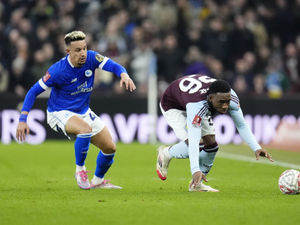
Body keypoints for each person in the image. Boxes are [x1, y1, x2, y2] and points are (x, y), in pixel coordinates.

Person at [16, 31, 136, 190]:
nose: (83, 53)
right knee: (85, 129)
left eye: (84, 48)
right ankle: (80, 170)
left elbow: (114, 65)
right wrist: (23, 119)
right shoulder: (57, 71)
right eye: (78, 50)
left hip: (83, 111)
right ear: (68, 52)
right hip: (59, 113)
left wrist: (124, 75)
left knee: (110, 148)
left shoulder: (92, 58)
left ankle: (98, 181)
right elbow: (33, 91)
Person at [156, 74, 273, 192]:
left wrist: (256, 148)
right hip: (172, 105)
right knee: (197, 143)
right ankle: (166, 153)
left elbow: (241, 124)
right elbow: (194, 141)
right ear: (210, 98)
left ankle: (196, 185)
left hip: (193, 98)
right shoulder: (196, 105)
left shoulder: (231, 97)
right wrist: (195, 170)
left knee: (211, 145)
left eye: (227, 101)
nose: (225, 106)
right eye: (221, 102)